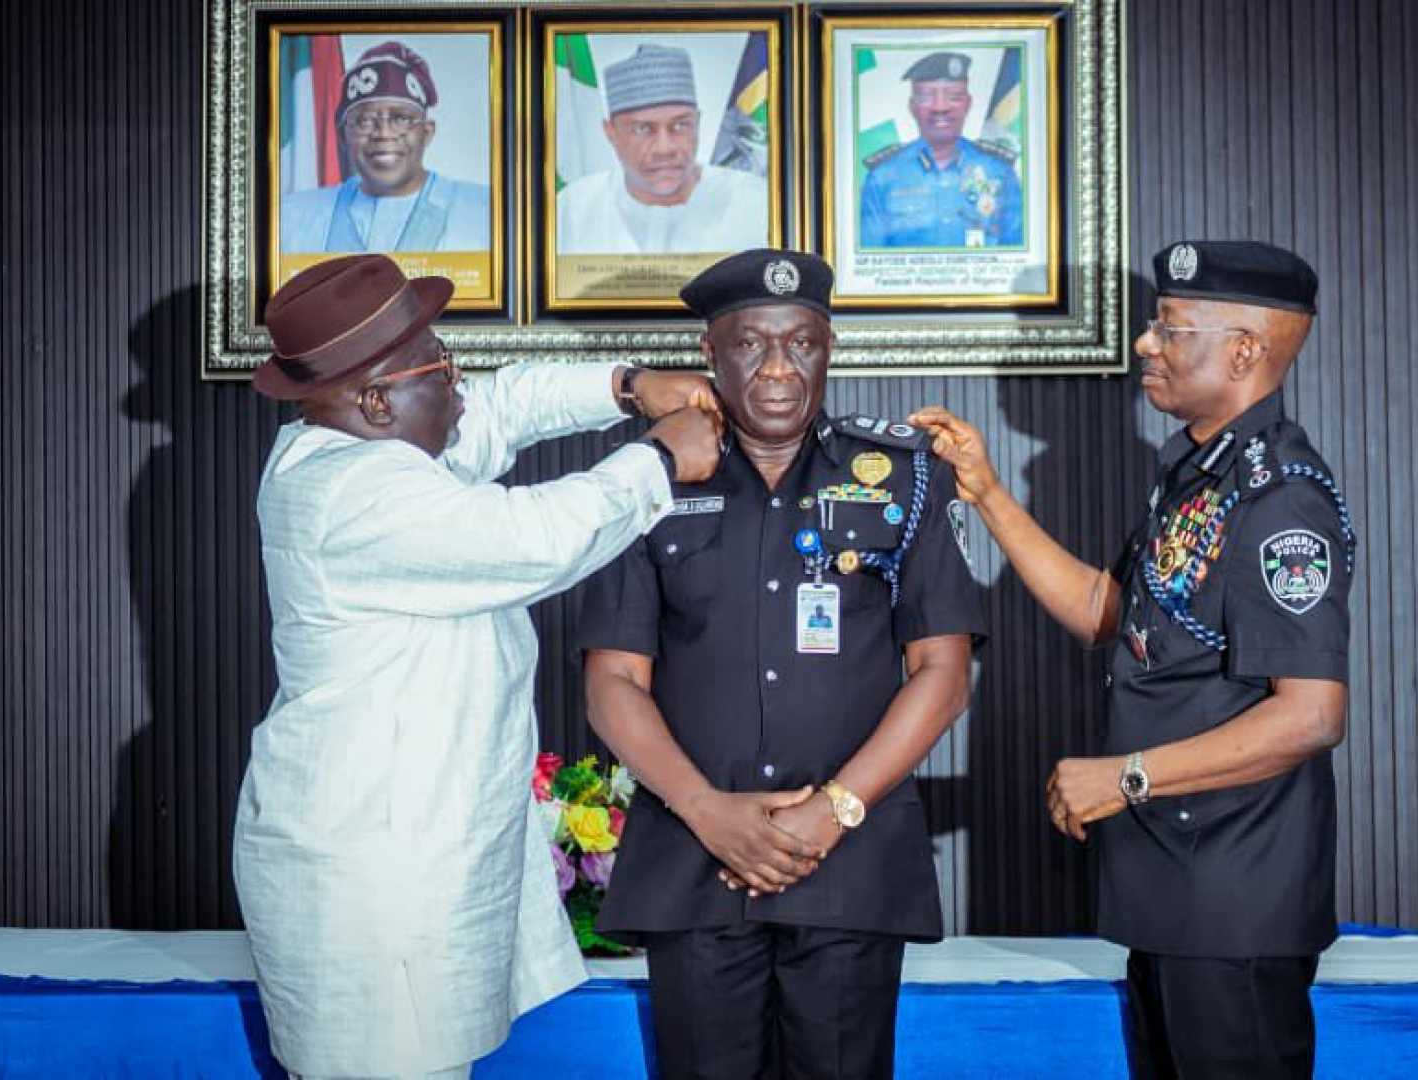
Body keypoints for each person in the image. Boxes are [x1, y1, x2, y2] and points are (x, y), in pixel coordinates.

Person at [233, 253, 721, 1080]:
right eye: (442, 368)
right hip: (376, 872)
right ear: (377, 401)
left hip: (414, 847)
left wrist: (629, 385)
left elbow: (506, 404)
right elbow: (536, 539)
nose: (462, 382)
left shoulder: (367, 443)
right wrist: (659, 459)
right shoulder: (353, 493)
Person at [912, 240, 1355, 1079]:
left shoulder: (1280, 496)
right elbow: (1107, 614)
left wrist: (1126, 777)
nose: (1146, 344)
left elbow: (1310, 715)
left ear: (1244, 351)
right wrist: (987, 493)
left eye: (1169, 328)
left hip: (1234, 897)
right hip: (1176, 885)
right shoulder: (1197, 475)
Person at [577, 248, 986, 1078]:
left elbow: (942, 674)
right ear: (709, 353)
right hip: (695, 859)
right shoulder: (646, 480)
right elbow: (612, 681)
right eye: (750, 344)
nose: (776, 368)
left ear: (828, 349)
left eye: (800, 343)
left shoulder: (902, 477)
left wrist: (834, 808)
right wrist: (706, 810)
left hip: (847, 862)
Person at [555, 44, 769, 255]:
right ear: (610, 132)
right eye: (642, 129)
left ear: (697, 122)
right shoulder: (574, 208)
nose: (664, 149)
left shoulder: (754, 201)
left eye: (680, 125)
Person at [281, 41, 491, 253]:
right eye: (364, 121)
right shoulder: (291, 218)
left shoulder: (486, 213)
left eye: (401, 119)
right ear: (343, 136)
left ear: (426, 132)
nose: (383, 133)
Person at [859, 52, 1023, 249]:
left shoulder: (999, 171)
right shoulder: (883, 176)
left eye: (953, 97)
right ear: (912, 107)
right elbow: (869, 256)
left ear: (968, 104)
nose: (940, 107)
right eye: (926, 97)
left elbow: (1018, 252)